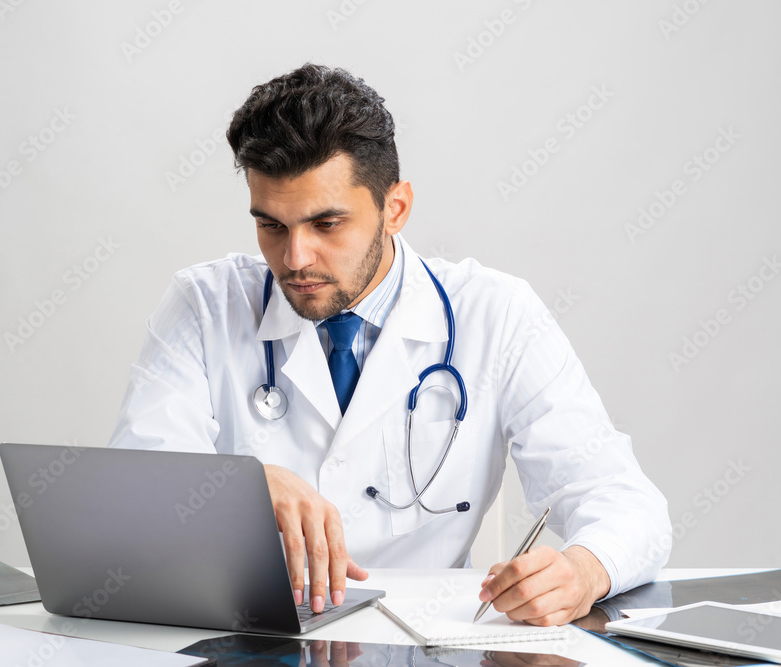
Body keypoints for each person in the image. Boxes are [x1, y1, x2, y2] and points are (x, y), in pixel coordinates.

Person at [109, 63, 671, 626]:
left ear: (394, 208)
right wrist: (237, 488)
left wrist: (583, 571)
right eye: (272, 226)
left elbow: (625, 502)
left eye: (326, 224)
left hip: (428, 638)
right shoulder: (204, 304)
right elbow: (131, 495)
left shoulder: (497, 314)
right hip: (250, 633)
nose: (295, 258)